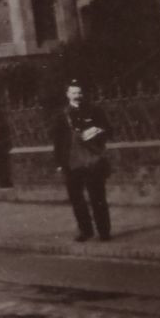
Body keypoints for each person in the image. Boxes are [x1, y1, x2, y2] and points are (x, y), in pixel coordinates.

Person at [52, 81, 113, 242]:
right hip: (71, 163)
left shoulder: (95, 110)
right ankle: (86, 231)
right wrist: (59, 163)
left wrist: (96, 131)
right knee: (77, 199)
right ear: (67, 95)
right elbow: (57, 141)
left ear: (83, 94)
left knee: (98, 197)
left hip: (92, 161)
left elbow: (108, 129)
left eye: (79, 93)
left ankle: (104, 231)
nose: (77, 96)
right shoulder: (61, 115)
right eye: (73, 93)